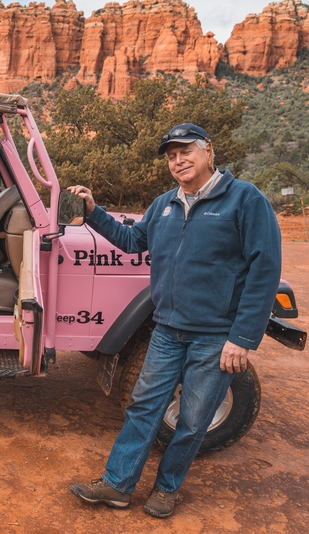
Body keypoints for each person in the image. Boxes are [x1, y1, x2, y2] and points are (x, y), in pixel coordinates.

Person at [67, 123, 281, 518]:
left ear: (208, 151)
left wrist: (243, 337)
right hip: (166, 330)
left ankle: (166, 489)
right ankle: (117, 485)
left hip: (216, 337)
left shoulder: (244, 200)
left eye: (185, 151)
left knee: (193, 419)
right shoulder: (164, 203)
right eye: (170, 155)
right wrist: (94, 212)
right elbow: (133, 241)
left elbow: (264, 270)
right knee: (143, 408)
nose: (178, 160)